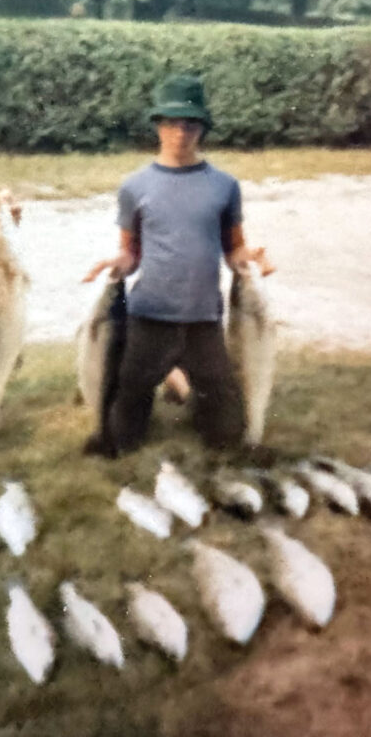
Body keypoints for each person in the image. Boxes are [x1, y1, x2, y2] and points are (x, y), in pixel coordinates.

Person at [82, 74, 267, 457]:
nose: (180, 133)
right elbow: (130, 254)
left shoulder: (224, 185)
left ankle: (189, 391)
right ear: (157, 125)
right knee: (119, 435)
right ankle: (162, 387)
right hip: (150, 314)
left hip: (203, 318)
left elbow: (234, 249)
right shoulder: (135, 186)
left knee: (227, 435)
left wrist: (247, 261)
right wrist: (120, 264)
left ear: (202, 128)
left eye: (190, 124)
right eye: (171, 123)